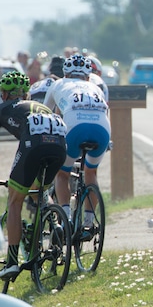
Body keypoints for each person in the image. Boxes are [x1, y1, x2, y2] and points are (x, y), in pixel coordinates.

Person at [0, 71, 67, 280]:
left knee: (15, 201)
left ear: (5, 95)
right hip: (60, 145)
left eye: (2, 93)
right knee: (38, 189)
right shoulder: (41, 107)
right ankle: (55, 222)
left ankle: (12, 262)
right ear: (25, 94)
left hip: (34, 145)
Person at [43, 54, 110, 226]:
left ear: (65, 74)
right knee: (91, 172)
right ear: (88, 77)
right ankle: (88, 223)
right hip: (102, 130)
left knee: (62, 174)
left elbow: (43, 114)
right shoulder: (96, 87)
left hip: (74, 128)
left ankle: (66, 221)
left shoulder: (57, 84)